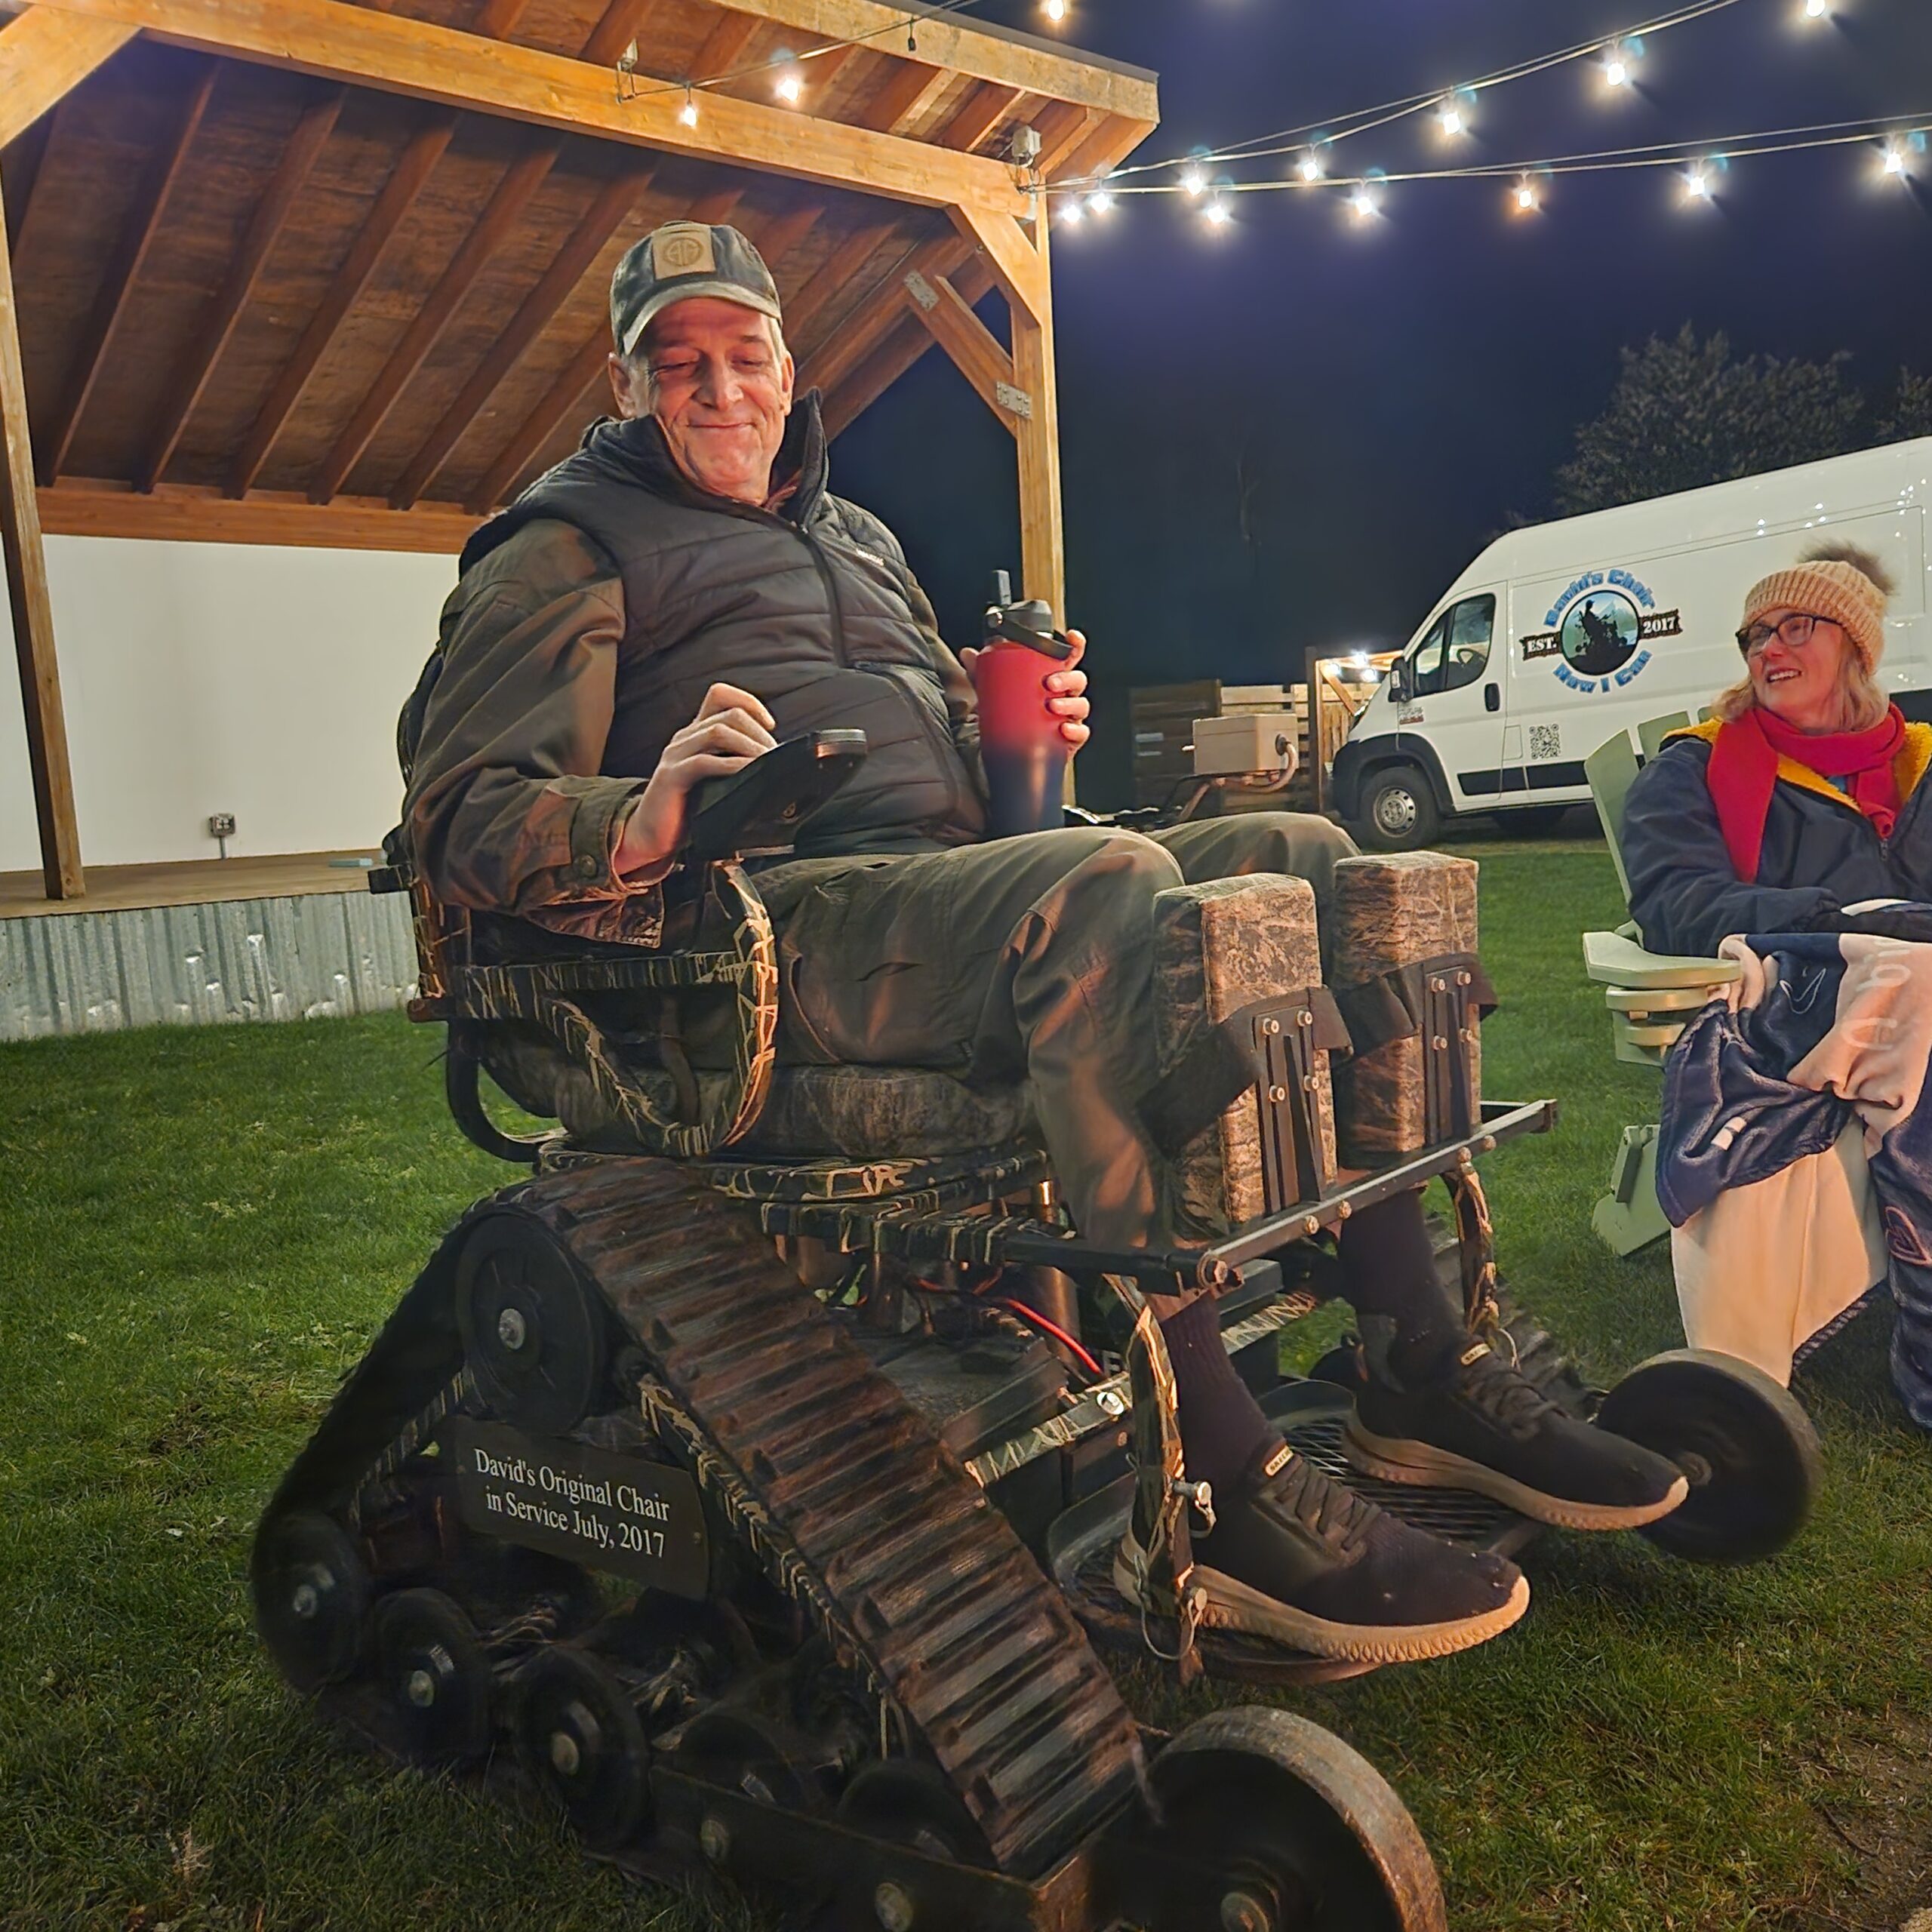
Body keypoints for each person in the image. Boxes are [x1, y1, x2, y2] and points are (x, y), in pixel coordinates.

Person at [402, 219, 1684, 1665]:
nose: (719, 387)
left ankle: (1415, 1358)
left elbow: (964, 786)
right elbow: (465, 815)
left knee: (1309, 856)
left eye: (743, 354)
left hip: (937, 892)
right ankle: (1215, 1476)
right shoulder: (566, 545)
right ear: (625, 382)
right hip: (749, 944)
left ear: (787, 367)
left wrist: (1010, 739)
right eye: (677, 361)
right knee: (1101, 886)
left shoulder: (856, 538)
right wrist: (645, 811)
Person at [1622, 543, 1932, 1425]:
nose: (1768, 648)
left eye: (1796, 626)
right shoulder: (1691, 769)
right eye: (1755, 634)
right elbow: (1676, 901)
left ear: (1854, 646)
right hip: (1790, 998)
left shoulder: (1918, 763)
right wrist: (1840, 920)